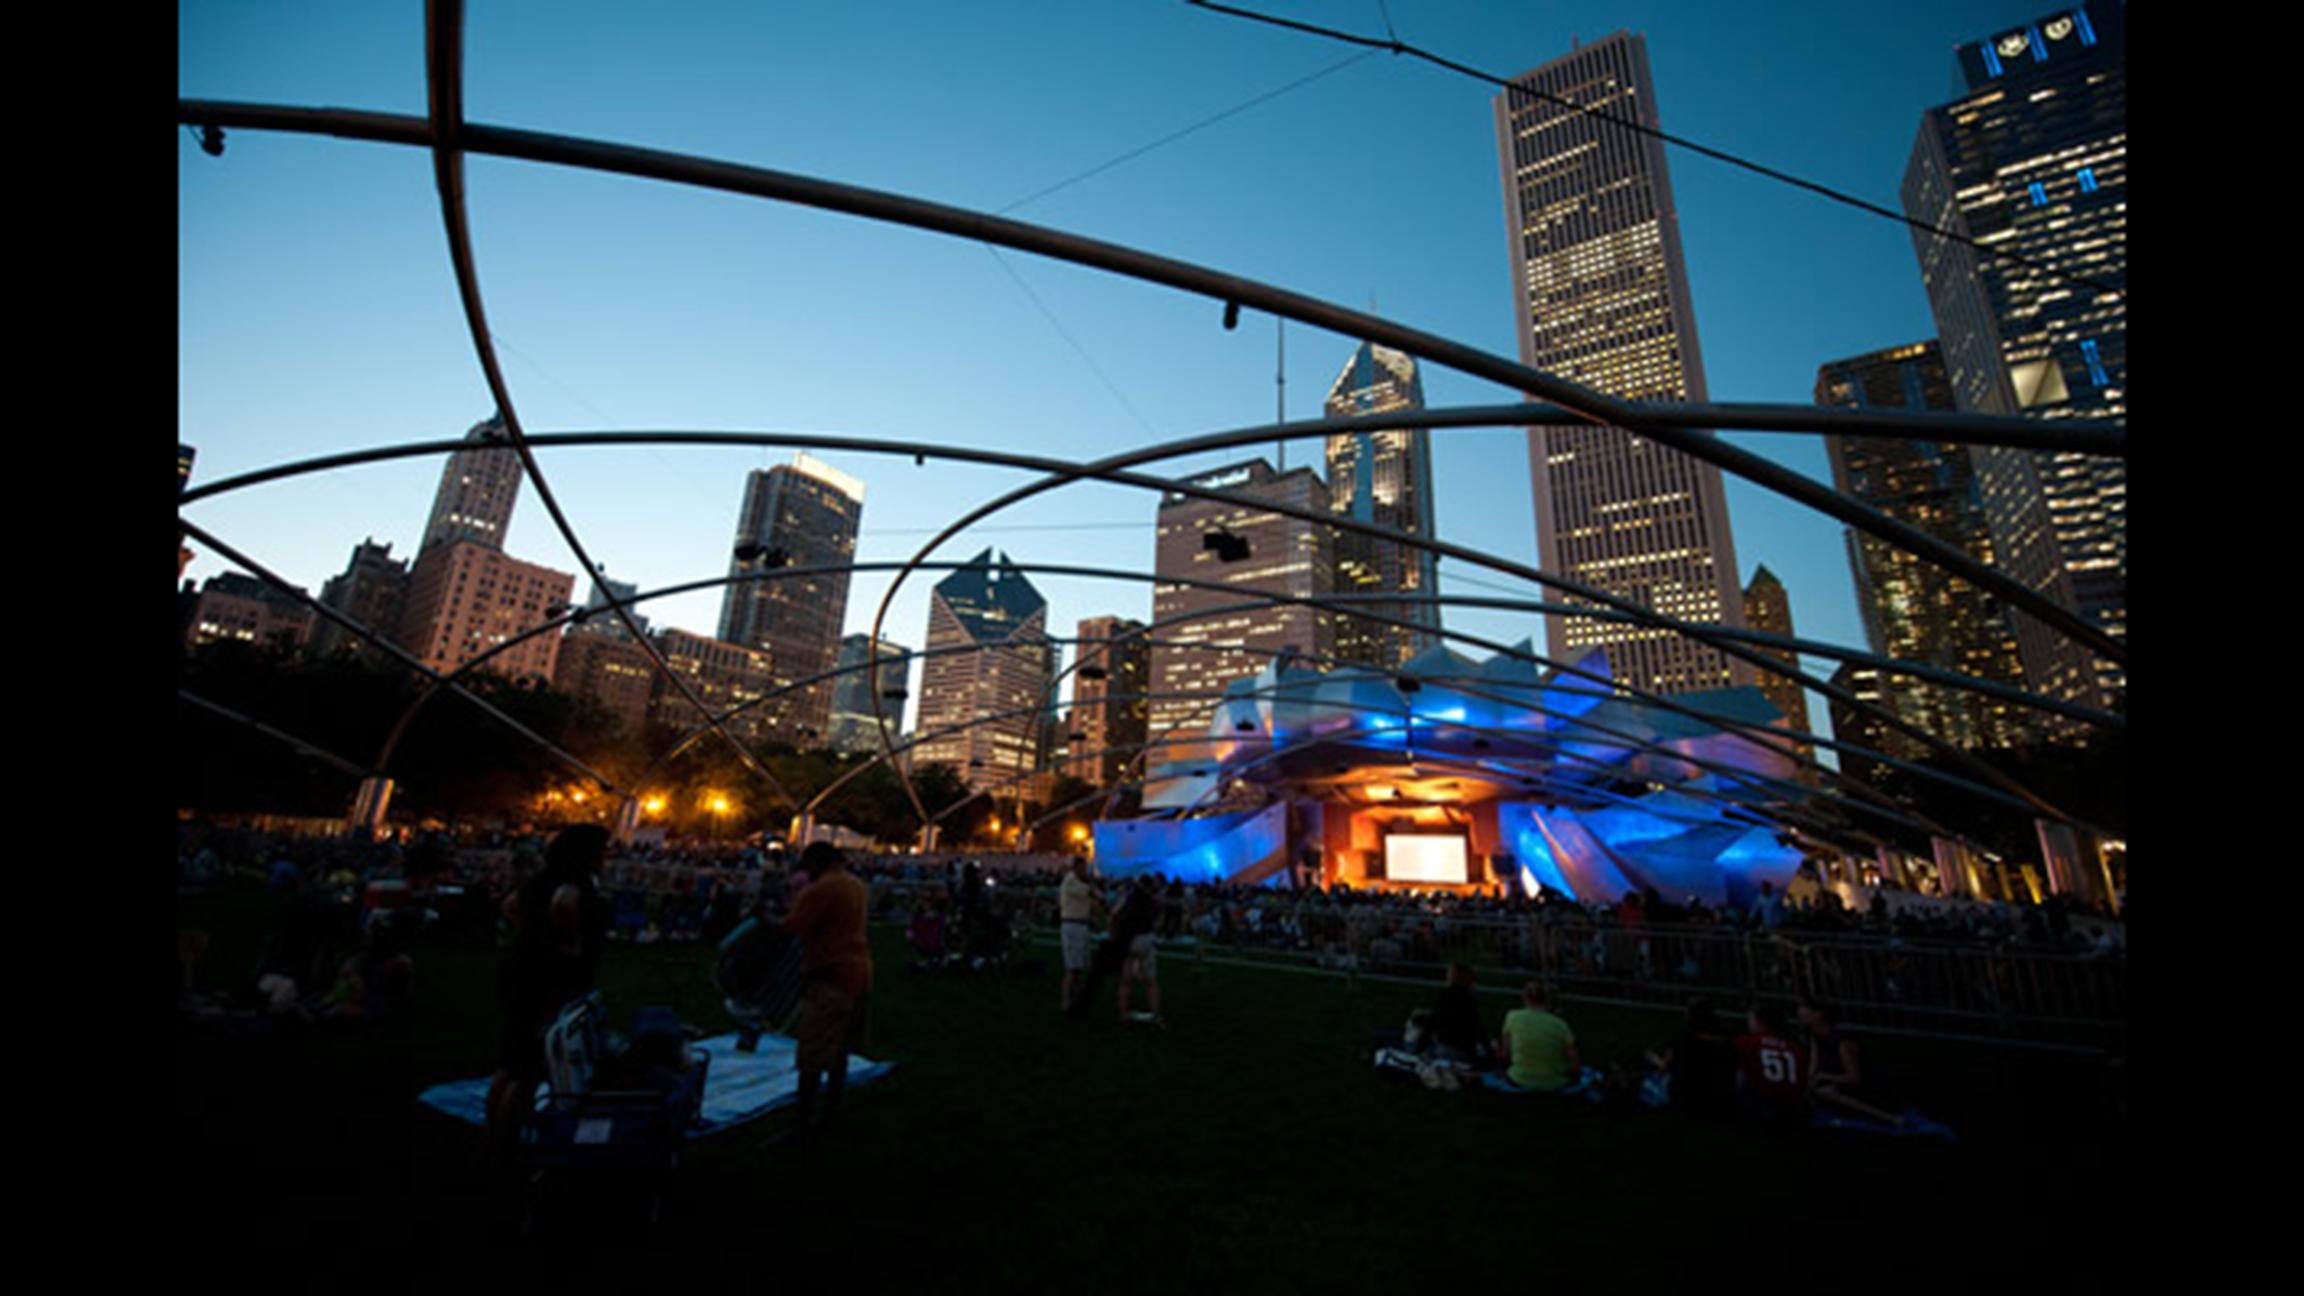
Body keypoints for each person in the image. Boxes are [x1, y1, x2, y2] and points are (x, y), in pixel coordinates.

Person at [485, 824, 613, 1162]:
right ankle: (507, 1144)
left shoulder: (540, 880)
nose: (606, 858)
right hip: (549, 979)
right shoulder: (575, 885)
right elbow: (565, 904)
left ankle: (494, 1133)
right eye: (602, 852)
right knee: (529, 1068)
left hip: (521, 969)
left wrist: (528, 935)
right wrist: (569, 946)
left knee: (512, 1059)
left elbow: (510, 905)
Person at [782, 841, 874, 1136]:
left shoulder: (822, 889)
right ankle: (831, 1113)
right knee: (840, 1051)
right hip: (859, 971)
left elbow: (794, 926)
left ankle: (803, 1122)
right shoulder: (855, 885)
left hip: (830, 974)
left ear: (815, 864)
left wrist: (767, 919)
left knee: (813, 1052)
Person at [1799, 999, 1906, 1128]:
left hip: (1867, 1086)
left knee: (1826, 1092)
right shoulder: (1815, 1037)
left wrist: (1824, 1077)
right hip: (1839, 1083)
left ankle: (1888, 1118)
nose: (1800, 1013)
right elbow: (1813, 1064)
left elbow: (1854, 1078)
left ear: (1818, 1014)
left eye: (1805, 1010)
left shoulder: (1843, 1042)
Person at [1490, 982, 1596, 1096]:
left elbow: (1506, 1054)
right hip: (1555, 1082)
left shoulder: (1512, 1017)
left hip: (1519, 1078)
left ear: (1524, 998)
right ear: (1547, 1000)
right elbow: (1575, 1061)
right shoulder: (1559, 1024)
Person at [1645, 998, 1737, 1119]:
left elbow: (1665, 1067)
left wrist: (1652, 1058)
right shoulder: (1727, 1041)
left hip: (1688, 1100)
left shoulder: (1683, 1041)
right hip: (1720, 1099)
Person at [1733, 1003, 1809, 1126]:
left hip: (1760, 1101)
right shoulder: (1795, 1047)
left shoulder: (1748, 1042)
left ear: (1760, 1022)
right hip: (1793, 1102)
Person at [1057, 858, 1107, 1013]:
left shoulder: (1077, 883)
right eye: (1084, 868)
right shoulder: (1071, 882)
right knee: (1072, 968)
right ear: (1077, 867)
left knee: (1079, 967)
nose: (1086, 871)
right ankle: (1066, 1002)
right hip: (1073, 925)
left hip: (1081, 925)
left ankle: (1076, 999)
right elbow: (1094, 894)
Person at [1114, 875, 1163, 1026]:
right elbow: (1158, 919)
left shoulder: (1128, 898)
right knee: (1151, 981)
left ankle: (1123, 1014)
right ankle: (1155, 1014)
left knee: (1125, 980)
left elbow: (1115, 913)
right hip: (1145, 938)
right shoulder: (1152, 900)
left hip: (1128, 939)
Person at [1427, 963, 1494, 1069]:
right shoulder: (1469, 998)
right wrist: (1489, 1051)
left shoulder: (1445, 996)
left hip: (1449, 1048)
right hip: (1465, 1049)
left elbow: (1432, 1022)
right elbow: (1479, 1027)